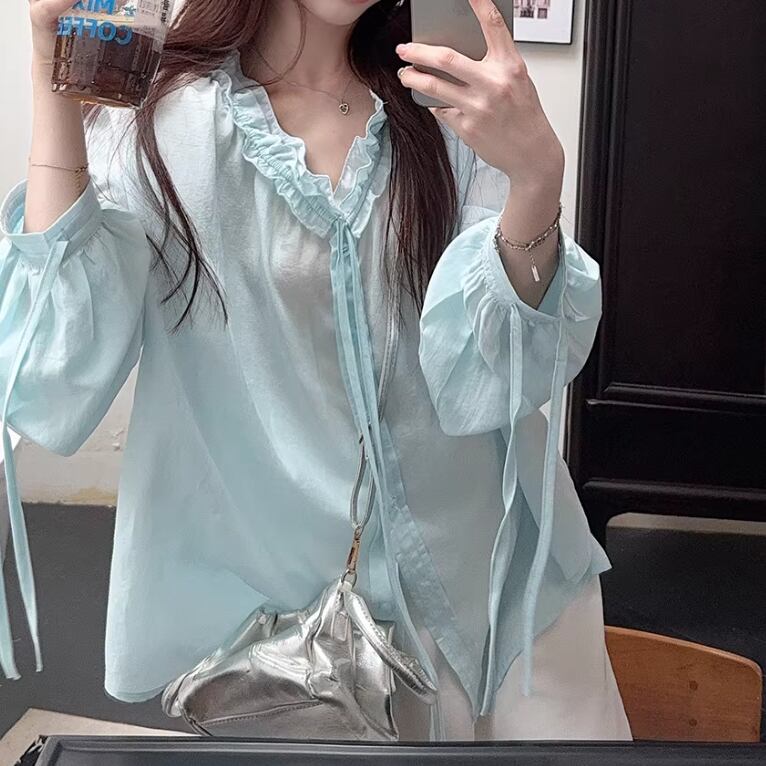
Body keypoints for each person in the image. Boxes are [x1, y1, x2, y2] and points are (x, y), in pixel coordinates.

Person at [0, 0, 631, 741]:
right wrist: (50, 71)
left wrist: (536, 181)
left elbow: (495, 380)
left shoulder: (444, 106)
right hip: (294, 644)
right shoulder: (163, 123)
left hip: (505, 598)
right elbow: (51, 371)